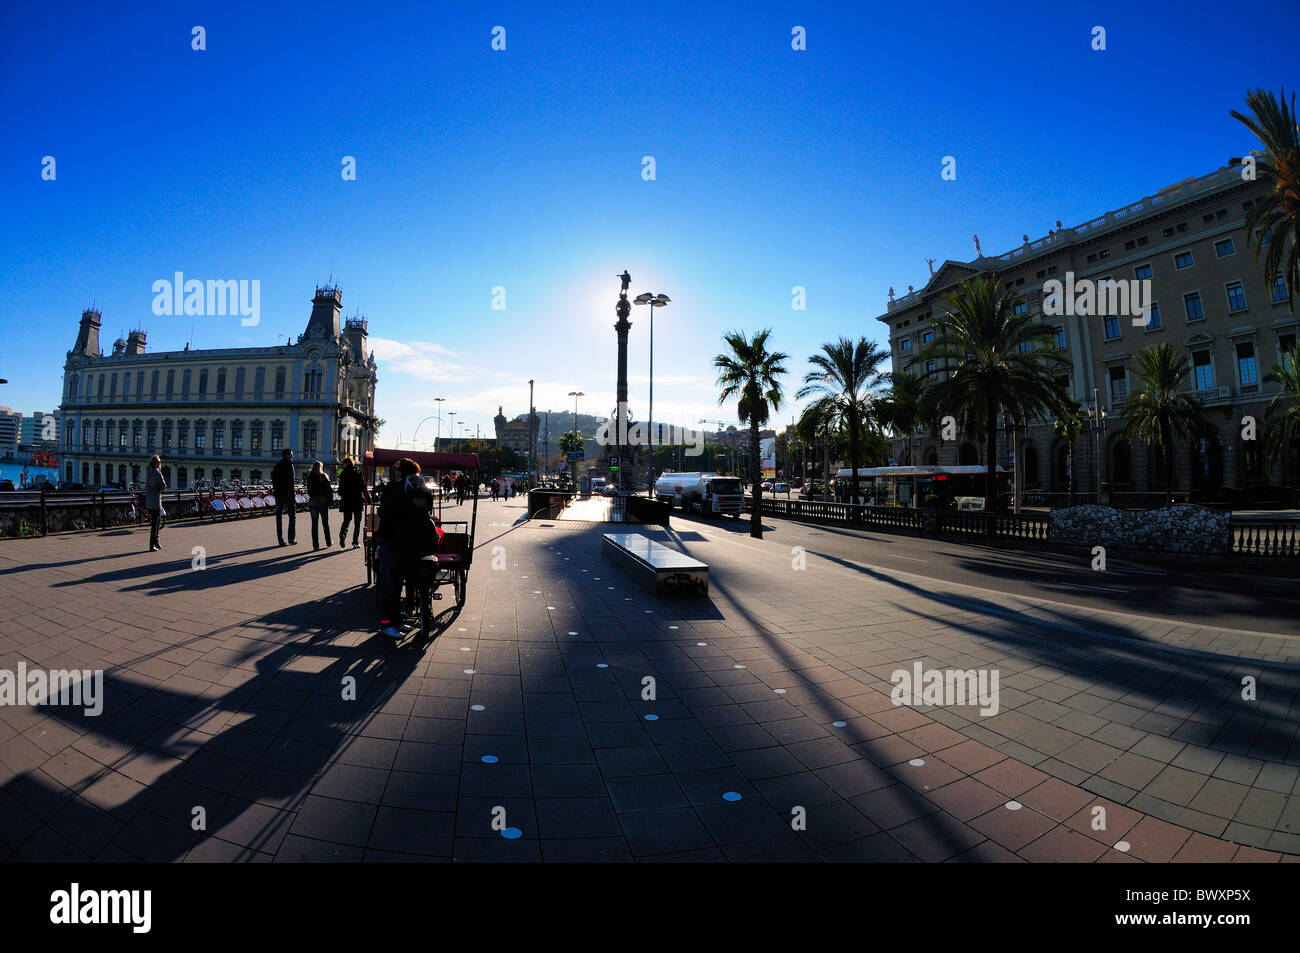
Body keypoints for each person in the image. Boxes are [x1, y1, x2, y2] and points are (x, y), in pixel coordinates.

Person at [375, 458, 440, 639]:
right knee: (395, 583)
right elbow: (426, 508)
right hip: (405, 540)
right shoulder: (419, 487)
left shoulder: (397, 488)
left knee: (393, 584)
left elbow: (384, 513)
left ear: (401, 471)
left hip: (394, 540)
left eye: (396, 468)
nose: (394, 471)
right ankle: (390, 624)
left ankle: (392, 623)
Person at [337, 456, 366, 549]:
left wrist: (344, 495)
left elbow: (340, 490)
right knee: (357, 523)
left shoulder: (342, 473)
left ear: (346, 464)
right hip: (357, 500)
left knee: (346, 520)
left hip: (347, 501)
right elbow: (363, 486)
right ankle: (355, 542)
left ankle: (343, 534)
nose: (343, 466)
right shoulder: (358, 471)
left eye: (343, 464)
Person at [306, 460, 334, 550]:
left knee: (314, 524)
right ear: (321, 467)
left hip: (313, 501)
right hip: (322, 502)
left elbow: (309, 490)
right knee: (325, 523)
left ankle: (315, 545)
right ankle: (328, 541)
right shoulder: (324, 476)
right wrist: (329, 501)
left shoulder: (310, 476)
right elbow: (329, 491)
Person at [272, 449, 297, 546]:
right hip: (288, 495)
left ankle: (280, 540)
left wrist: (276, 490)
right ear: (286, 455)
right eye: (291, 454)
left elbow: (273, 479)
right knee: (292, 516)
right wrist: (292, 494)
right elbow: (291, 482)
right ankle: (291, 538)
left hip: (278, 494)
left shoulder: (277, 465)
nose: (292, 456)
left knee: (279, 517)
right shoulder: (290, 465)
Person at [145, 455, 167, 551]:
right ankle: (153, 544)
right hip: (155, 501)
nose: (160, 463)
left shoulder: (149, 472)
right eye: (159, 462)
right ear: (157, 463)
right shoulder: (157, 473)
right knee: (156, 524)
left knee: (155, 523)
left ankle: (156, 543)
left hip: (149, 501)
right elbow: (163, 486)